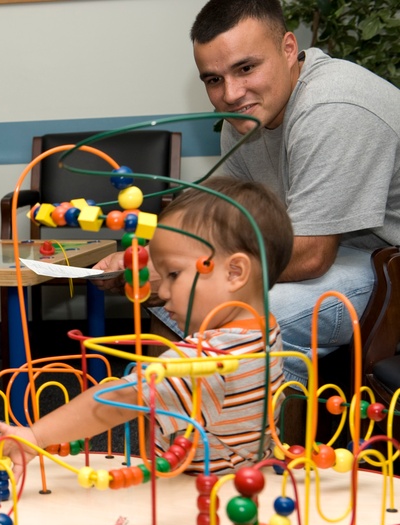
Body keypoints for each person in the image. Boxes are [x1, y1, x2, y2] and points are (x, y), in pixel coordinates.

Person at [0, 177, 294, 525]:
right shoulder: (267, 330)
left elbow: (108, 403)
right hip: (247, 510)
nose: (160, 291)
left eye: (172, 275)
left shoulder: (208, 361)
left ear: (235, 271)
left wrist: (34, 435)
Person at [95, 0, 400, 388]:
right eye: (213, 80)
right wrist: (146, 258)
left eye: (246, 68)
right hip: (340, 254)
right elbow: (221, 220)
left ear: (289, 48)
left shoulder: (334, 106)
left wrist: (183, 270)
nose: (231, 93)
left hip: (385, 264)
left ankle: (267, 446)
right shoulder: (246, 116)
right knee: (179, 298)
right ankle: (185, 437)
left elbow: (310, 256)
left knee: (249, 318)